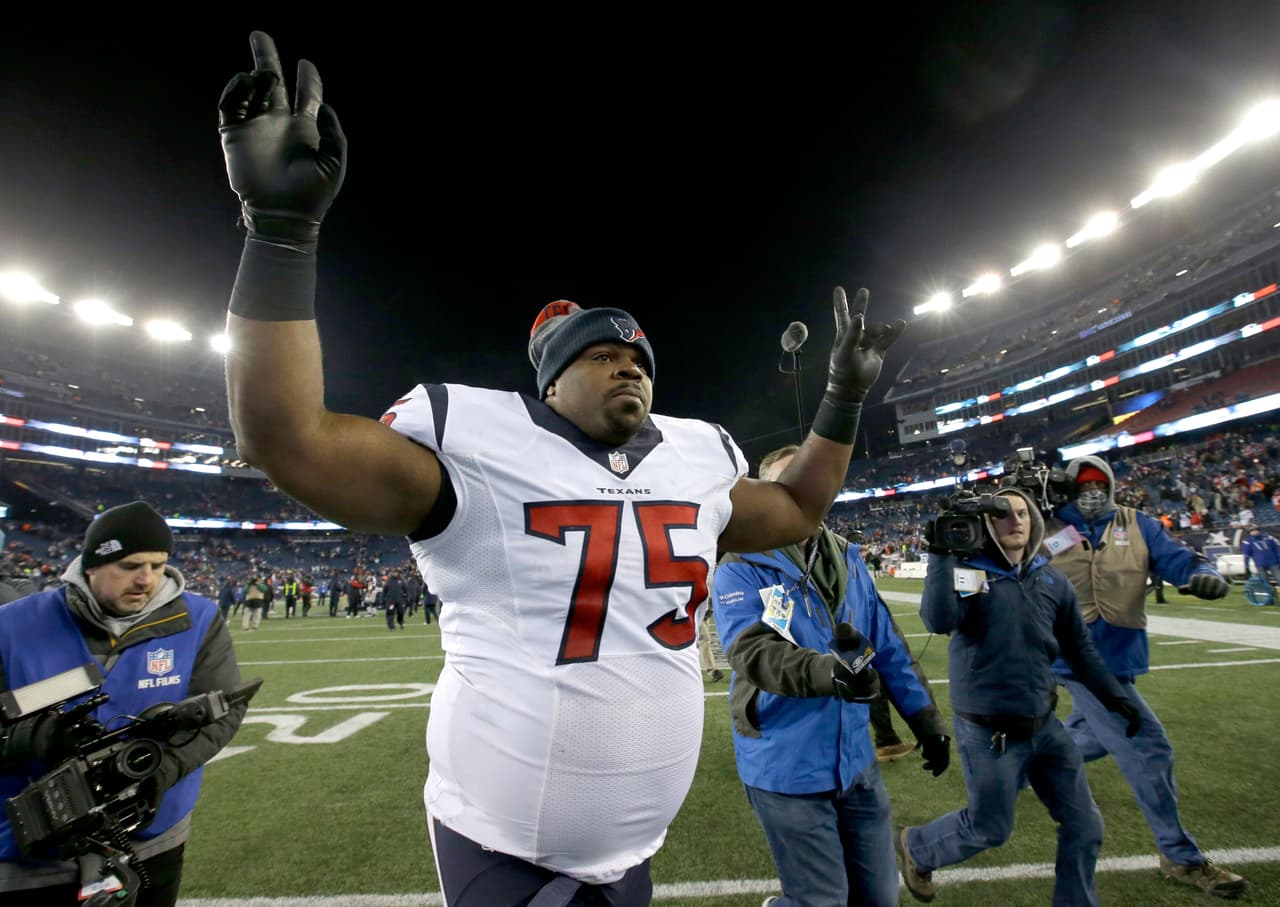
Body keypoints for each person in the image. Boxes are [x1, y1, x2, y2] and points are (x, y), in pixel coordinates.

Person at [217, 30, 905, 906]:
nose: (630, 363)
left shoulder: (696, 455)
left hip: (634, 848)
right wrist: (279, 233)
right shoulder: (477, 440)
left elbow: (800, 509)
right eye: (602, 353)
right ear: (549, 379)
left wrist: (841, 398)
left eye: (641, 356)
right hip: (501, 843)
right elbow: (286, 438)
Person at [713, 445, 949, 907]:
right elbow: (754, 651)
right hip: (785, 763)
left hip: (856, 761)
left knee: (879, 899)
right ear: (765, 497)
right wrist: (831, 673)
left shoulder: (849, 558)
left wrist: (926, 719)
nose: (806, 496)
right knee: (820, 900)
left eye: (814, 486)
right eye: (789, 487)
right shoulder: (739, 565)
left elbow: (889, 644)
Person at [897, 486, 1139, 906]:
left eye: (1023, 513)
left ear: (1035, 522)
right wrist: (940, 554)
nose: (1016, 520)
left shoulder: (1050, 579)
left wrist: (1115, 697)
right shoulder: (971, 573)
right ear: (987, 525)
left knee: (1085, 826)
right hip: (990, 733)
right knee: (990, 828)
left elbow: (1079, 648)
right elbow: (939, 619)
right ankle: (917, 847)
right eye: (1003, 514)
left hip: (1047, 727)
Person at [0, 501, 251, 906]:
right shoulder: (10, 626)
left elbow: (222, 710)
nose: (146, 580)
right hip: (29, 854)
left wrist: (162, 770)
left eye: (157, 565)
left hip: (154, 837)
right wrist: (35, 739)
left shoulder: (199, 619)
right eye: (131, 566)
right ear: (92, 564)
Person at [1049, 457, 1248, 898]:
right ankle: (1180, 856)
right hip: (1077, 662)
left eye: (1100, 483)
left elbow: (1179, 560)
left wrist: (1202, 575)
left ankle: (1025, 765)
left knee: (1088, 738)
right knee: (1149, 747)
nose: (1092, 491)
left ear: (1114, 485)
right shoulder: (1048, 526)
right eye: (1083, 485)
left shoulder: (1137, 524)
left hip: (1120, 657)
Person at [1241, 526, 1280, 591]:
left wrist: (1279, 560)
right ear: (1249, 532)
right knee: (1265, 582)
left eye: (1256, 530)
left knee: (1279, 578)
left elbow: (1277, 549)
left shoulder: (1269, 537)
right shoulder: (1247, 542)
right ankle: (1269, 598)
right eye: (1252, 531)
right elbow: (1246, 555)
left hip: (1273, 562)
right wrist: (1246, 566)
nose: (1254, 532)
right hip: (1260, 564)